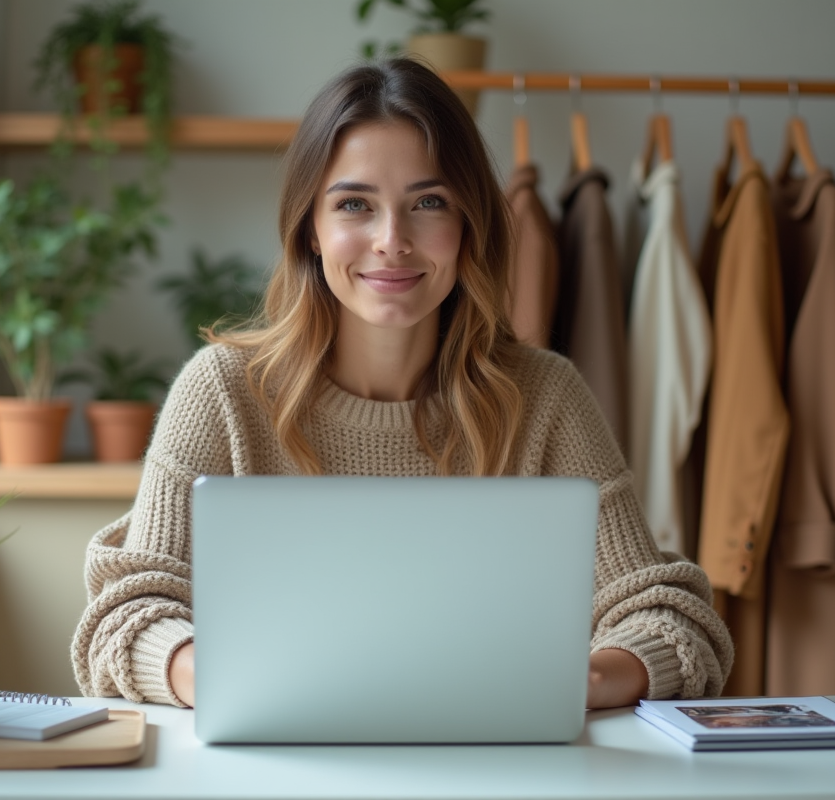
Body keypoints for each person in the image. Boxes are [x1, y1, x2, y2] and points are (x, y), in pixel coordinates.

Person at [71, 58, 733, 710]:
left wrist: (577, 683)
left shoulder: (545, 397)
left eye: (428, 203)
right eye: (355, 204)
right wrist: (215, 678)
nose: (392, 240)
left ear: (469, 225)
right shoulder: (220, 392)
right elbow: (122, 616)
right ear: (310, 230)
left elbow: (674, 620)